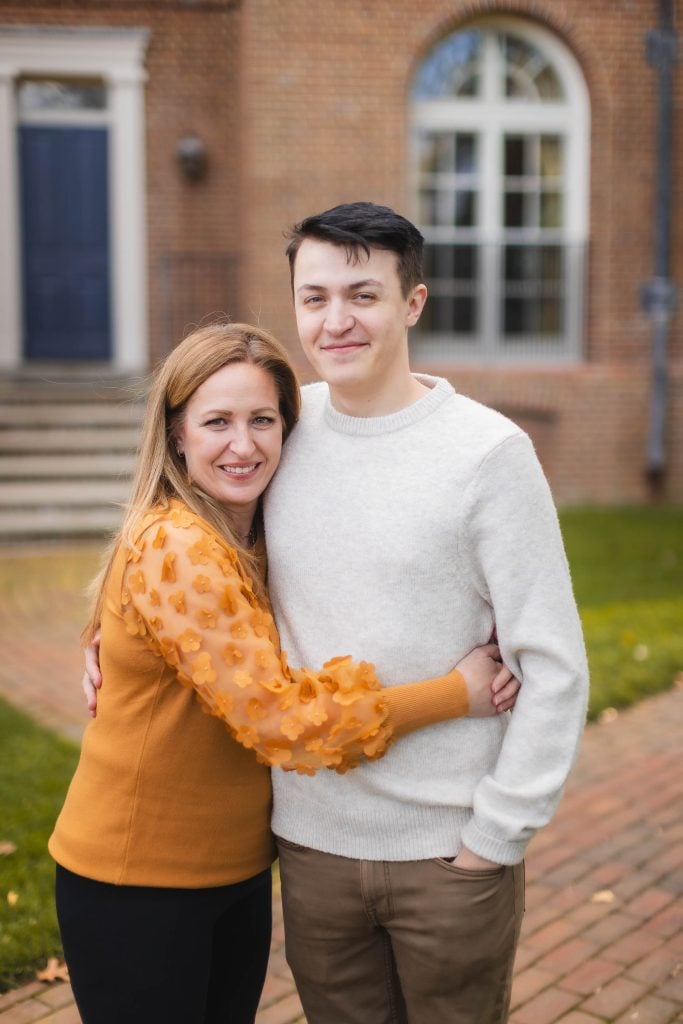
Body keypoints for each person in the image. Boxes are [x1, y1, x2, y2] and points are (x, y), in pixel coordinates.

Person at [58, 321, 520, 1024]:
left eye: (262, 420)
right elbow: (282, 722)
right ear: (177, 433)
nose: (242, 445)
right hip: (139, 879)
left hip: (235, 871)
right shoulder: (179, 543)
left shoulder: (255, 525)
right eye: (216, 422)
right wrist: (453, 693)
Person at [260, 202, 589, 1024]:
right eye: (314, 297)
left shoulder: (486, 454)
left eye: (362, 295)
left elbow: (550, 663)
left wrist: (493, 839)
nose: (335, 320)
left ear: (412, 303)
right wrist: (102, 630)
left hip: (449, 855)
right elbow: (187, 549)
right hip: (311, 849)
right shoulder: (277, 431)